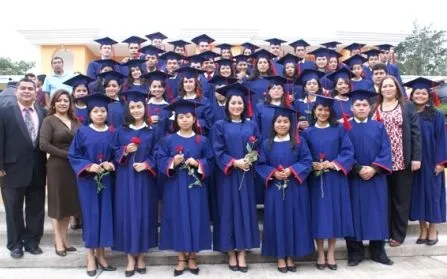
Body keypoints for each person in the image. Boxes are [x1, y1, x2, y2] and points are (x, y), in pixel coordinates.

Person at [155, 99, 214, 276]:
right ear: (176, 120)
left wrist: (198, 163)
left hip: (196, 186)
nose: (185, 120)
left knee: (195, 217)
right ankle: (181, 258)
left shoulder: (202, 140)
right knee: (178, 218)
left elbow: (210, 161)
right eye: (181, 117)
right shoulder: (168, 140)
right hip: (175, 186)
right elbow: (159, 159)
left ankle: (193, 257)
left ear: (194, 119)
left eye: (188, 116)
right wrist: (172, 162)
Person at [256, 105, 314, 273]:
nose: (282, 124)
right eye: (279, 121)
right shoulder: (267, 144)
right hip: (275, 190)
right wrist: (273, 173)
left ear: (291, 123)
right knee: (278, 221)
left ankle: (291, 256)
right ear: (273, 124)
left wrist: (291, 170)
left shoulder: (298, 141)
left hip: (295, 188)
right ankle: (280, 256)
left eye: (286, 121)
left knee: (294, 220)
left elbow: (307, 161)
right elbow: (260, 165)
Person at [301, 94, 354, 271]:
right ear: (314, 112)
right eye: (320, 109)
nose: (323, 112)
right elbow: (303, 154)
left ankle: (330, 252)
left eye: (326, 110)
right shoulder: (307, 132)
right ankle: (320, 253)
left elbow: (348, 151)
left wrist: (332, 163)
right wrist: (311, 164)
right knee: (318, 216)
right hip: (315, 180)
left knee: (332, 216)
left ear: (330, 112)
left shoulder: (339, 129)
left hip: (334, 178)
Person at [211, 83, 259, 273]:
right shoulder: (219, 125)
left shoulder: (251, 125)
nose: (237, 106)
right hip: (227, 175)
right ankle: (231, 252)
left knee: (246, 211)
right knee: (228, 211)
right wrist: (233, 162)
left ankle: (243, 252)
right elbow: (217, 150)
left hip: (246, 175)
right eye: (233, 103)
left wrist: (250, 159)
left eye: (240, 103)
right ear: (227, 105)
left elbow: (258, 146)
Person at [68, 93, 117, 277]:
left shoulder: (113, 132)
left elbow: (117, 155)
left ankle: (102, 255)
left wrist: (110, 164)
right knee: (91, 217)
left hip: (107, 180)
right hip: (88, 181)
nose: (99, 114)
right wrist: (89, 166)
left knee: (105, 216)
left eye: (103, 111)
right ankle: (90, 256)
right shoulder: (82, 132)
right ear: (90, 113)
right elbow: (73, 155)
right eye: (96, 111)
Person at [344, 89, 394, 266]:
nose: (361, 107)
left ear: (370, 107)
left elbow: (386, 151)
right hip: (353, 178)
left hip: (376, 178)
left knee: (377, 213)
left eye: (365, 104)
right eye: (358, 105)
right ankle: (355, 253)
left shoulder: (379, 127)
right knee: (353, 214)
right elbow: (343, 152)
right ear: (351, 107)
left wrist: (374, 168)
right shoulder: (345, 127)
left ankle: (378, 251)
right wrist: (357, 168)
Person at [372, 76, 422, 247]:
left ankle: (398, 235)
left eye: (390, 86)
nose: (387, 88)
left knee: (401, 198)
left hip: (402, 158)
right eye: (384, 86)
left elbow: (415, 133)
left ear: (397, 88)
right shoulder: (375, 107)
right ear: (380, 89)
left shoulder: (407, 107)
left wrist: (416, 158)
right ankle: (384, 230)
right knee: (383, 198)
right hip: (381, 161)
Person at [0, 78, 47, 259]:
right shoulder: (4, 112)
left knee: (36, 208)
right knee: (13, 209)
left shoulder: (42, 112)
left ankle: (32, 241)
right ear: (16, 91)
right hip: (11, 170)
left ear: (36, 92)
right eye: (23, 88)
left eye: (30, 88)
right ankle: (15, 244)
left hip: (37, 169)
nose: (27, 91)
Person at [113, 90, 158, 277]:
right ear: (128, 110)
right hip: (126, 179)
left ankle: (141, 256)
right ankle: (130, 257)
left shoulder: (151, 131)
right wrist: (125, 150)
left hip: (145, 179)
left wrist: (147, 164)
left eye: (139, 106)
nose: (136, 110)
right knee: (128, 215)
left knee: (144, 215)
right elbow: (113, 152)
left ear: (144, 108)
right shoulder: (121, 131)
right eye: (132, 107)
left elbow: (158, 153)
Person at [39, 89, 81, 256]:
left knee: (68, 205)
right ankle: (58, 242)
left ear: (70, 103)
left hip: (74, 168)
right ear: (54, 103)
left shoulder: (75, 120)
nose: (63, 103)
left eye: (66, 100)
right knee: (58, 206)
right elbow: (44, 145)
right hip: (57, 167)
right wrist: (67, 155)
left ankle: (65, 240)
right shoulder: (49, 120)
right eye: (59, 100)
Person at [406, 77, 446, 246]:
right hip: (414, 161)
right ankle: (422, 228)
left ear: (428, 95)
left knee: (432, 194)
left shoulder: (435, 115)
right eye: (417, 93)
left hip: (431, 161)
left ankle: (433, 229)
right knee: (417, 195)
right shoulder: (408, 114)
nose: (420, 95)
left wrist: (440, 162)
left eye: (423, 93)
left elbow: (442, 139)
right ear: (412, 95)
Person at [174, 66, 214, 136]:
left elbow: (209, 122)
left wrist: (198, 123)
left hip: (199, 136)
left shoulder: (204, 101)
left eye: (191, 81)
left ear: (196, 83)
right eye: (185, 82)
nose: (188, 84)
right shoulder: (178, 100)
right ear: (182, 84)